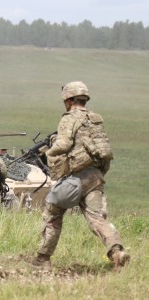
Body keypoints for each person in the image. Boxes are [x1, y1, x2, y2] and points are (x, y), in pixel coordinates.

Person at [31, 81, 130, 271]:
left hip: (74, 179)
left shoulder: (69, 118)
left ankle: (43, 259)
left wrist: (49, 153)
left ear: (68, 100)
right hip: (95, 176)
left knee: (53, 214)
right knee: (97, 219)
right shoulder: (95, 119)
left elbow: (64, 144)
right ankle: (117, 252)